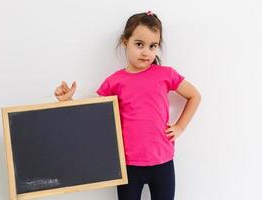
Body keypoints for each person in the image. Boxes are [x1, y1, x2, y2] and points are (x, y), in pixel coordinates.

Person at [54, 11, 201, 200]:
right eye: (139, 44)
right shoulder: (115, 81)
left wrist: (180, 126)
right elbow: (92, 113)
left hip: (163, 161)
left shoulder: (165, 74)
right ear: (126, 41)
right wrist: (68, 101)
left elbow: (194, 96)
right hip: (128, 165)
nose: (146, 52)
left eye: (153, 46)